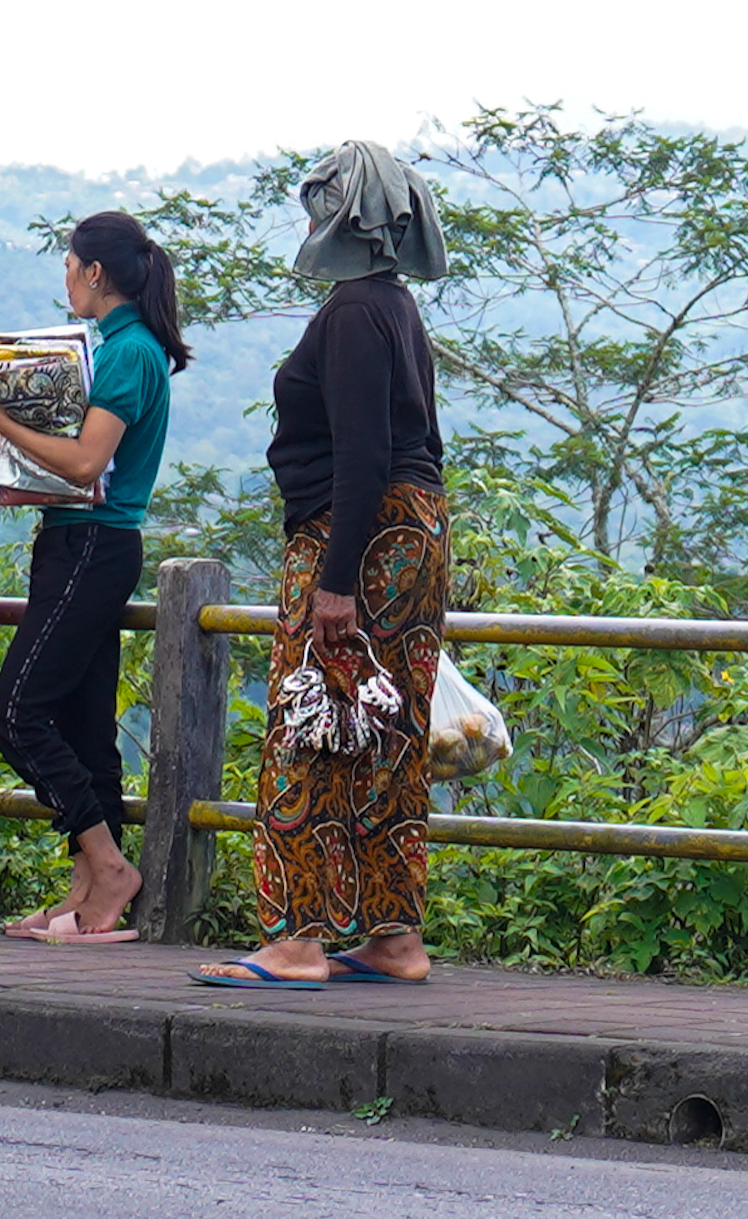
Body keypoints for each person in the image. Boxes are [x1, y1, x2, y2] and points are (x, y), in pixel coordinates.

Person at [194, 140, 449, 988]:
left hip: (356, 536)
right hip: (413, 533)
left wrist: (337, 580)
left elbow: (364, 455)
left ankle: (297, 941)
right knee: (386, 733)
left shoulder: (349, 312)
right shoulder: (397, 307)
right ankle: (394, 940)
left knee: (306, 733)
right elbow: (422, 450)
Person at [0, 212, 189, 942]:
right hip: (82, 543)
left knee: (17, 713)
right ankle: (91, 889)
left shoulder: (127, 356)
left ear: (95, 272)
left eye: (68, 265)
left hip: (91, 543)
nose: (65, 278)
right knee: (88, 727)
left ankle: (110, 866)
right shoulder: (121, 348)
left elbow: (85, 464)